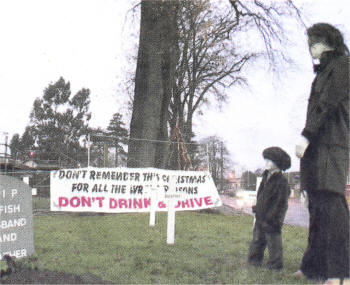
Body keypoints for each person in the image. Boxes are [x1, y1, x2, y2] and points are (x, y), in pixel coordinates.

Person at [295, 23, 350, 284]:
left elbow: (328, 103)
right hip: (320, 146)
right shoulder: (325, 70)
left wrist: (306, 134)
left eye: (313, 42)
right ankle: (313, 268)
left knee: (331, 207)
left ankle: (341, 273)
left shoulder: (342, 67)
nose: (310, 47)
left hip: (332, 146)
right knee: (317, 207)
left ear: (326, 41)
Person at [248, 146, 291, 270]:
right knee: (257, 239)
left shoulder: (281, 182)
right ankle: (254, 261)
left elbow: (281, 203)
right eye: (265, 159)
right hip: (261, 215)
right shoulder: (265, 177)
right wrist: (257, 210)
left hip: (273, 218)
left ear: (277, 162)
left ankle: (275, 265)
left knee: (273, 241)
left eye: (269, 160)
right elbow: (260, 196)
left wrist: (272, 218)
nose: (266, 162)